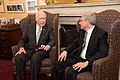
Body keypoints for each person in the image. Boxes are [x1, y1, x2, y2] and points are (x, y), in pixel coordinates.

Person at [54, 12, 109, 80]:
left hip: (89, 60)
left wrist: (87, 62)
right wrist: (66, 51)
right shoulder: (82, 31)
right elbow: (75, 43)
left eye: (81, 20)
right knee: (58, 64)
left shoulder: (101, 34)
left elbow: (103, 52)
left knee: (70, 71)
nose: (79, 23)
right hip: (78, 57)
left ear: (87, 21)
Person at [15, 11, 55, 80]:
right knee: (18, 58)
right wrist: (21, 48)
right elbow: (22, 40)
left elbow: (53, 40)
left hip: (41, 51)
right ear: (36, 19)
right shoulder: (29, 27)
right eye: (40, 19)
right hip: (29, 50)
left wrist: (48, 46)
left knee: (35, 58)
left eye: (44, 19)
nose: (43, 21)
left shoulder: (49, 28)